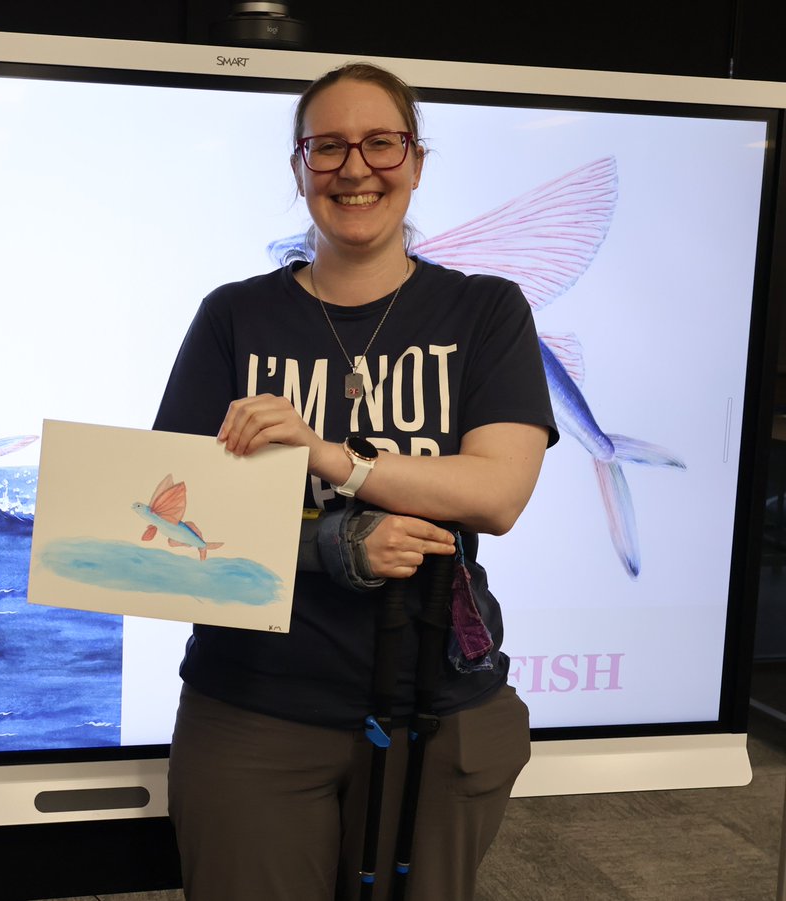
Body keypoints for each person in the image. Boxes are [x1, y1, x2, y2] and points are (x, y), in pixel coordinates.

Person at [152, 61, 559, 901]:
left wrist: (337, 460)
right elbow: (163, 516)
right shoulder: (236, 316)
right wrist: (332, 543)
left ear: (416, 158)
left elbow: (498, 493)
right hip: (255, 705)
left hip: (438, 707)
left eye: (381, 142)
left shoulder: (486, 310)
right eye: (327, 147)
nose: (355, 167)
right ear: (299, 168)